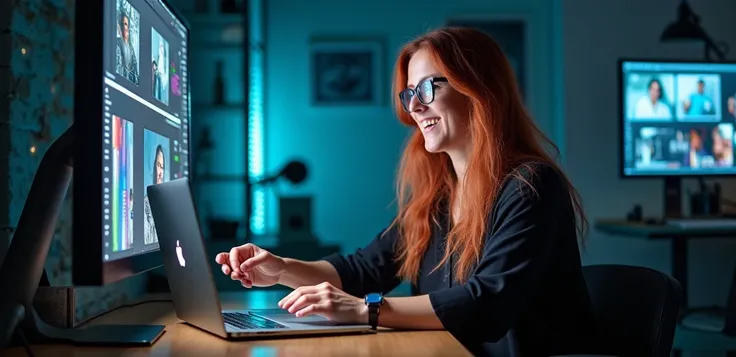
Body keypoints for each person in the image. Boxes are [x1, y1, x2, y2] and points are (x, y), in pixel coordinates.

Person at [216, 27, 595, 356]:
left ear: (478, 88)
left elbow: (488, 304)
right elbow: (362, 270)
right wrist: (281, 268)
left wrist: (368, 310)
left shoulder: (531, 186)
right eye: (409, 93)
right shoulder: (440, 197)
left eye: (429, 87)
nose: (413, 106)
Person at [144, 145, 165, 244]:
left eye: (162, 167)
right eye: (158, 165)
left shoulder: (166, 205)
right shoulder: (145, 203)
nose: (160, 172)